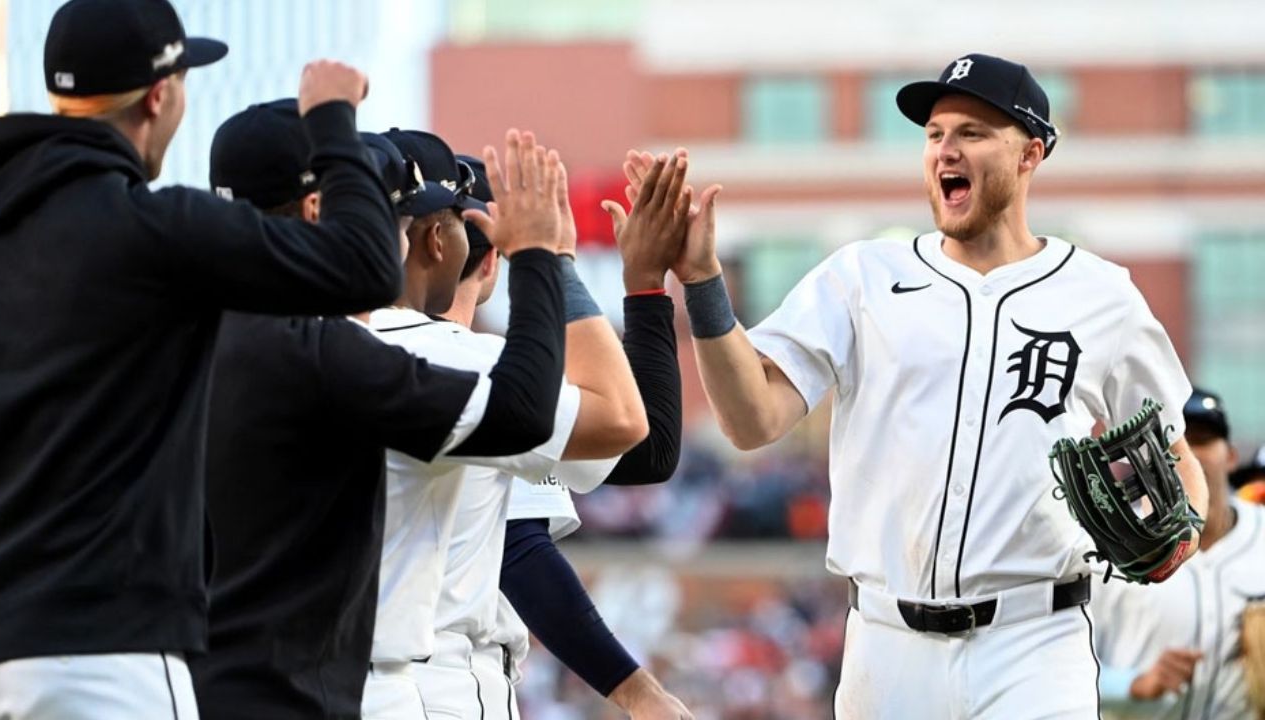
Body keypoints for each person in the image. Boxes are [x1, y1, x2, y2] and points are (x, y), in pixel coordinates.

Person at [627, 53, 1208, 718]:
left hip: (1034, 643)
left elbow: (1177, 454)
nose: (946, 150)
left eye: (973, 132)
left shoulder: (1102, 296)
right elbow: (751, 420)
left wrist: (1180, 535)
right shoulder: (860, 278)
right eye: (934, 135)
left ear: (1031, 154)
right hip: (885, 647)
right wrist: (702, 284)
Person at [0, 0, 407, 716]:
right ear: (160, 95)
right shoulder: (153, 228)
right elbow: (367, 265)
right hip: (110, 658)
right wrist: (332, 123)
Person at [189, 102, 572, 720]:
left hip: (181, 685)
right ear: (318, 211)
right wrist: (538, 256)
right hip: (300, 693)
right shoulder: (317, 351)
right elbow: (525, 413)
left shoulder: (166, 333)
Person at [361, 131, 690, 720]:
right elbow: (631, 434)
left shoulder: (296, 347)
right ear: (470, 252)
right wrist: (557, 262)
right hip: (432, 683)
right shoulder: (473, 366)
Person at [1092, 388, 1265, 720]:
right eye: (1169, 444)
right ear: (1145, 461)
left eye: (1200, 440)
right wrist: (1133, 684)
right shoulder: (1108, 550)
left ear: (1229, 455)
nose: (1187, 455)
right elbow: (1062, 669)